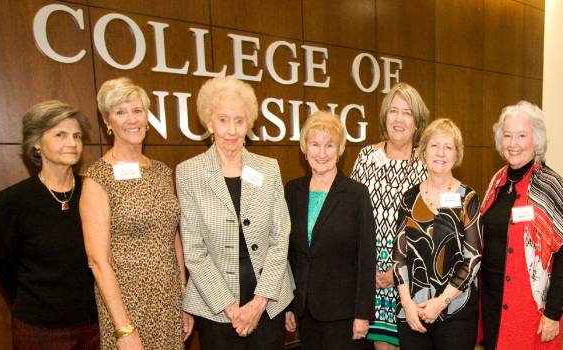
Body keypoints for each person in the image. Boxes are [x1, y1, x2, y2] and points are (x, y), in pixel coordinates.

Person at [176, 76, 293, 349]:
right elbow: (194, 251)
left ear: (249, 124)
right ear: (209, 122)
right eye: (223, 120)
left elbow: (280, 239)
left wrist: (258, 303)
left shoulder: (268, 168)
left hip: (268, 298)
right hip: (215, 305)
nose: (231, 130)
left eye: (239, 121)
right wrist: (231, 309)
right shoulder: (189, 173)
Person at [81, 78, 193, 350]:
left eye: (137, 110)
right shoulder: (98, 178)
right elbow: (97, 261)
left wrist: (184, 299)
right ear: (108, 123)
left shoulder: (162, 171)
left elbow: (173, 236)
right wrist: (124, 329)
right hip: (126, 306)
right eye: (120, 112)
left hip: (168, 303)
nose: (131, 119)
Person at [0, 101, 99, 349]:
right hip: (40, 328)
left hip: (95, 324)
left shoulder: (94, 191)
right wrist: (32, 301)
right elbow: (2, 261)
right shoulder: (15, 200)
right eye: (60, 135)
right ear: (36, 143)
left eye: (76, 136)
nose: (72, 143)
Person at [479, 101, 563, 350]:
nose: (513, 144)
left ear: (537, 140)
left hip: (530, 307)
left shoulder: (552, 186)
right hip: (492, 301)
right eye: (508, 136)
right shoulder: (497, 181)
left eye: (522, 135)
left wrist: (553, 313)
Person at [284, 111, 376, 349]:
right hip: (304, 310)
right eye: (315, 144)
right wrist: (289, 305)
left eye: (329, 145)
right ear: (305, 148)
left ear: (340, 149)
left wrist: (363, 313)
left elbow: (366, 258)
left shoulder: (357, 194)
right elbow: (288, 255)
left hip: (344, 314)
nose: (322, 153)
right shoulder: (292, 191)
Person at [350, 82, 429, 350]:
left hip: (412, 274)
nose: (399, 119)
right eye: (393, 111)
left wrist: (395, 273)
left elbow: (432, 227)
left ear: (417, 122)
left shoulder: (428, 163)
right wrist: (370, 269)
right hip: (371, 273)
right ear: (385, 117)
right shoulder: (366, 157)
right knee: (382, 346)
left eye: (407, 113)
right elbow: (352, 216)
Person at [393, 119, 482, 349]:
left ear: (456, 155)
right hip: (413, 312)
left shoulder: (468, 198)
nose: (440, 153)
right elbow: (399, 257)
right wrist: (407, 304)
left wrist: (441, 302)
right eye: (434, 146)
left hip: (455, 313)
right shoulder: (409, 198)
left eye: (448, 147)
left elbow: (473, 259)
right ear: (424, 151)